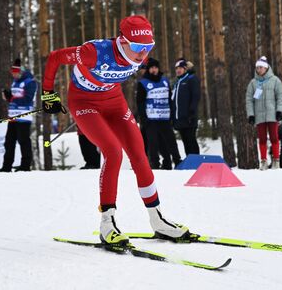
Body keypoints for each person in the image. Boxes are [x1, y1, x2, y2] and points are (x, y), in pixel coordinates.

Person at [41, 15, 189, 246]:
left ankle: (157, 220)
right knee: (113, 151)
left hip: (114, 101)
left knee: (139, 155)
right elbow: (55, 57)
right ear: (123, 41)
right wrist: (48, 93)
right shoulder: (93, 52)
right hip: (84, 102)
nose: (143, 54)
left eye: (148, 47)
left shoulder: (142, 55)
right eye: (139, 47)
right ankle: (107, 223)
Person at [137, 58, 182, 170]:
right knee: (153, 143)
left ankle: (176, 162)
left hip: (165, 118)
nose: (154, 70)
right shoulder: (143, 83)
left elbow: (169, 99)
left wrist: (172, 115)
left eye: (156, 67)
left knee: (171, 142)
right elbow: (140, 103)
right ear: (148, 69)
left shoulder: (165, 81)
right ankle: (155, 165)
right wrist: (144, 119)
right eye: (151, 68)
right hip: (151, 119)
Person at [0, 59, 37, 173]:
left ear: (21, 71)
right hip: (13, 116)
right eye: (12, 72)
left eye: (15, 72)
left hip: (24, 116)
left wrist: (12, 98)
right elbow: (14, 98)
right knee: (9, 142)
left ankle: (25, 165)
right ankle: (6, 166)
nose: (13, 74)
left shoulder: (30, 82)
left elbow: (27, 99)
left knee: (23, 141)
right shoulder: (15, 82)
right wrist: (8, 96)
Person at [246, 56, 282, 170]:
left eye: (261, 67)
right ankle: (263, 161)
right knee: (262, 139)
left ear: (266, 68)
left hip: (272, 114)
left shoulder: (275, 80)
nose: (259, 70)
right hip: (259, 115)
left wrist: (279, 111)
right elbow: (249, 100)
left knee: (274, 137)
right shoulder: (253, 83)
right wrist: (251, 114)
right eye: (257, 68)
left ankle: (276, 161)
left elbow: (280, 97)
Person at [171, 58, 201, 156]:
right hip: (180, 119)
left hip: (189, 118)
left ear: (185, 69)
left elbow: (195, 96)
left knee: (191, 140)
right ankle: (189, 161)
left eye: (180, 68)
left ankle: (196, 161)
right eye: (176, 68)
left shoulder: (191, 79)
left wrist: (192, 112)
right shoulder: (177, 82)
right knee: (185, 141)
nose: (178, 70)